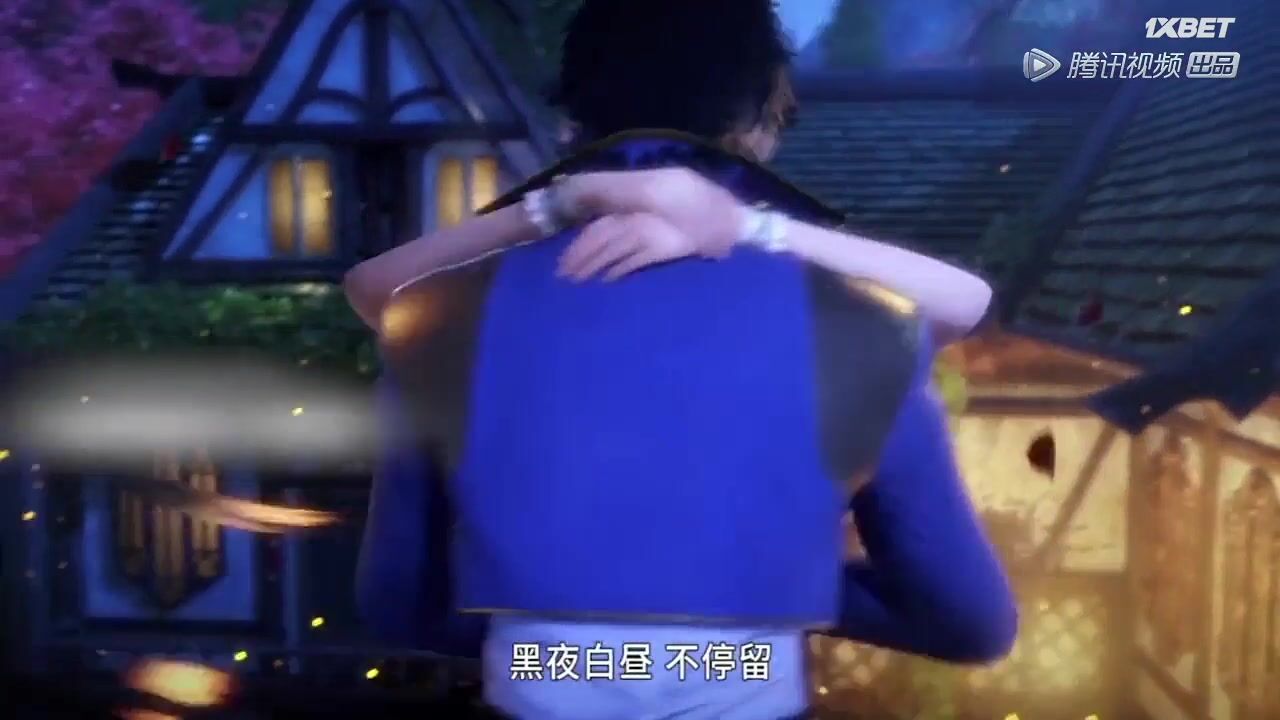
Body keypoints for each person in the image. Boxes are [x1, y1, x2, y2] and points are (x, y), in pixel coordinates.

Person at [350, 2, 1016, 719]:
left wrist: (533, 612)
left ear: (571, 123)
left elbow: (398, 601)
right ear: (754, 124)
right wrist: (787, 587)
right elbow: (970, 620)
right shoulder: (867, 324)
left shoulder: (436, 318)